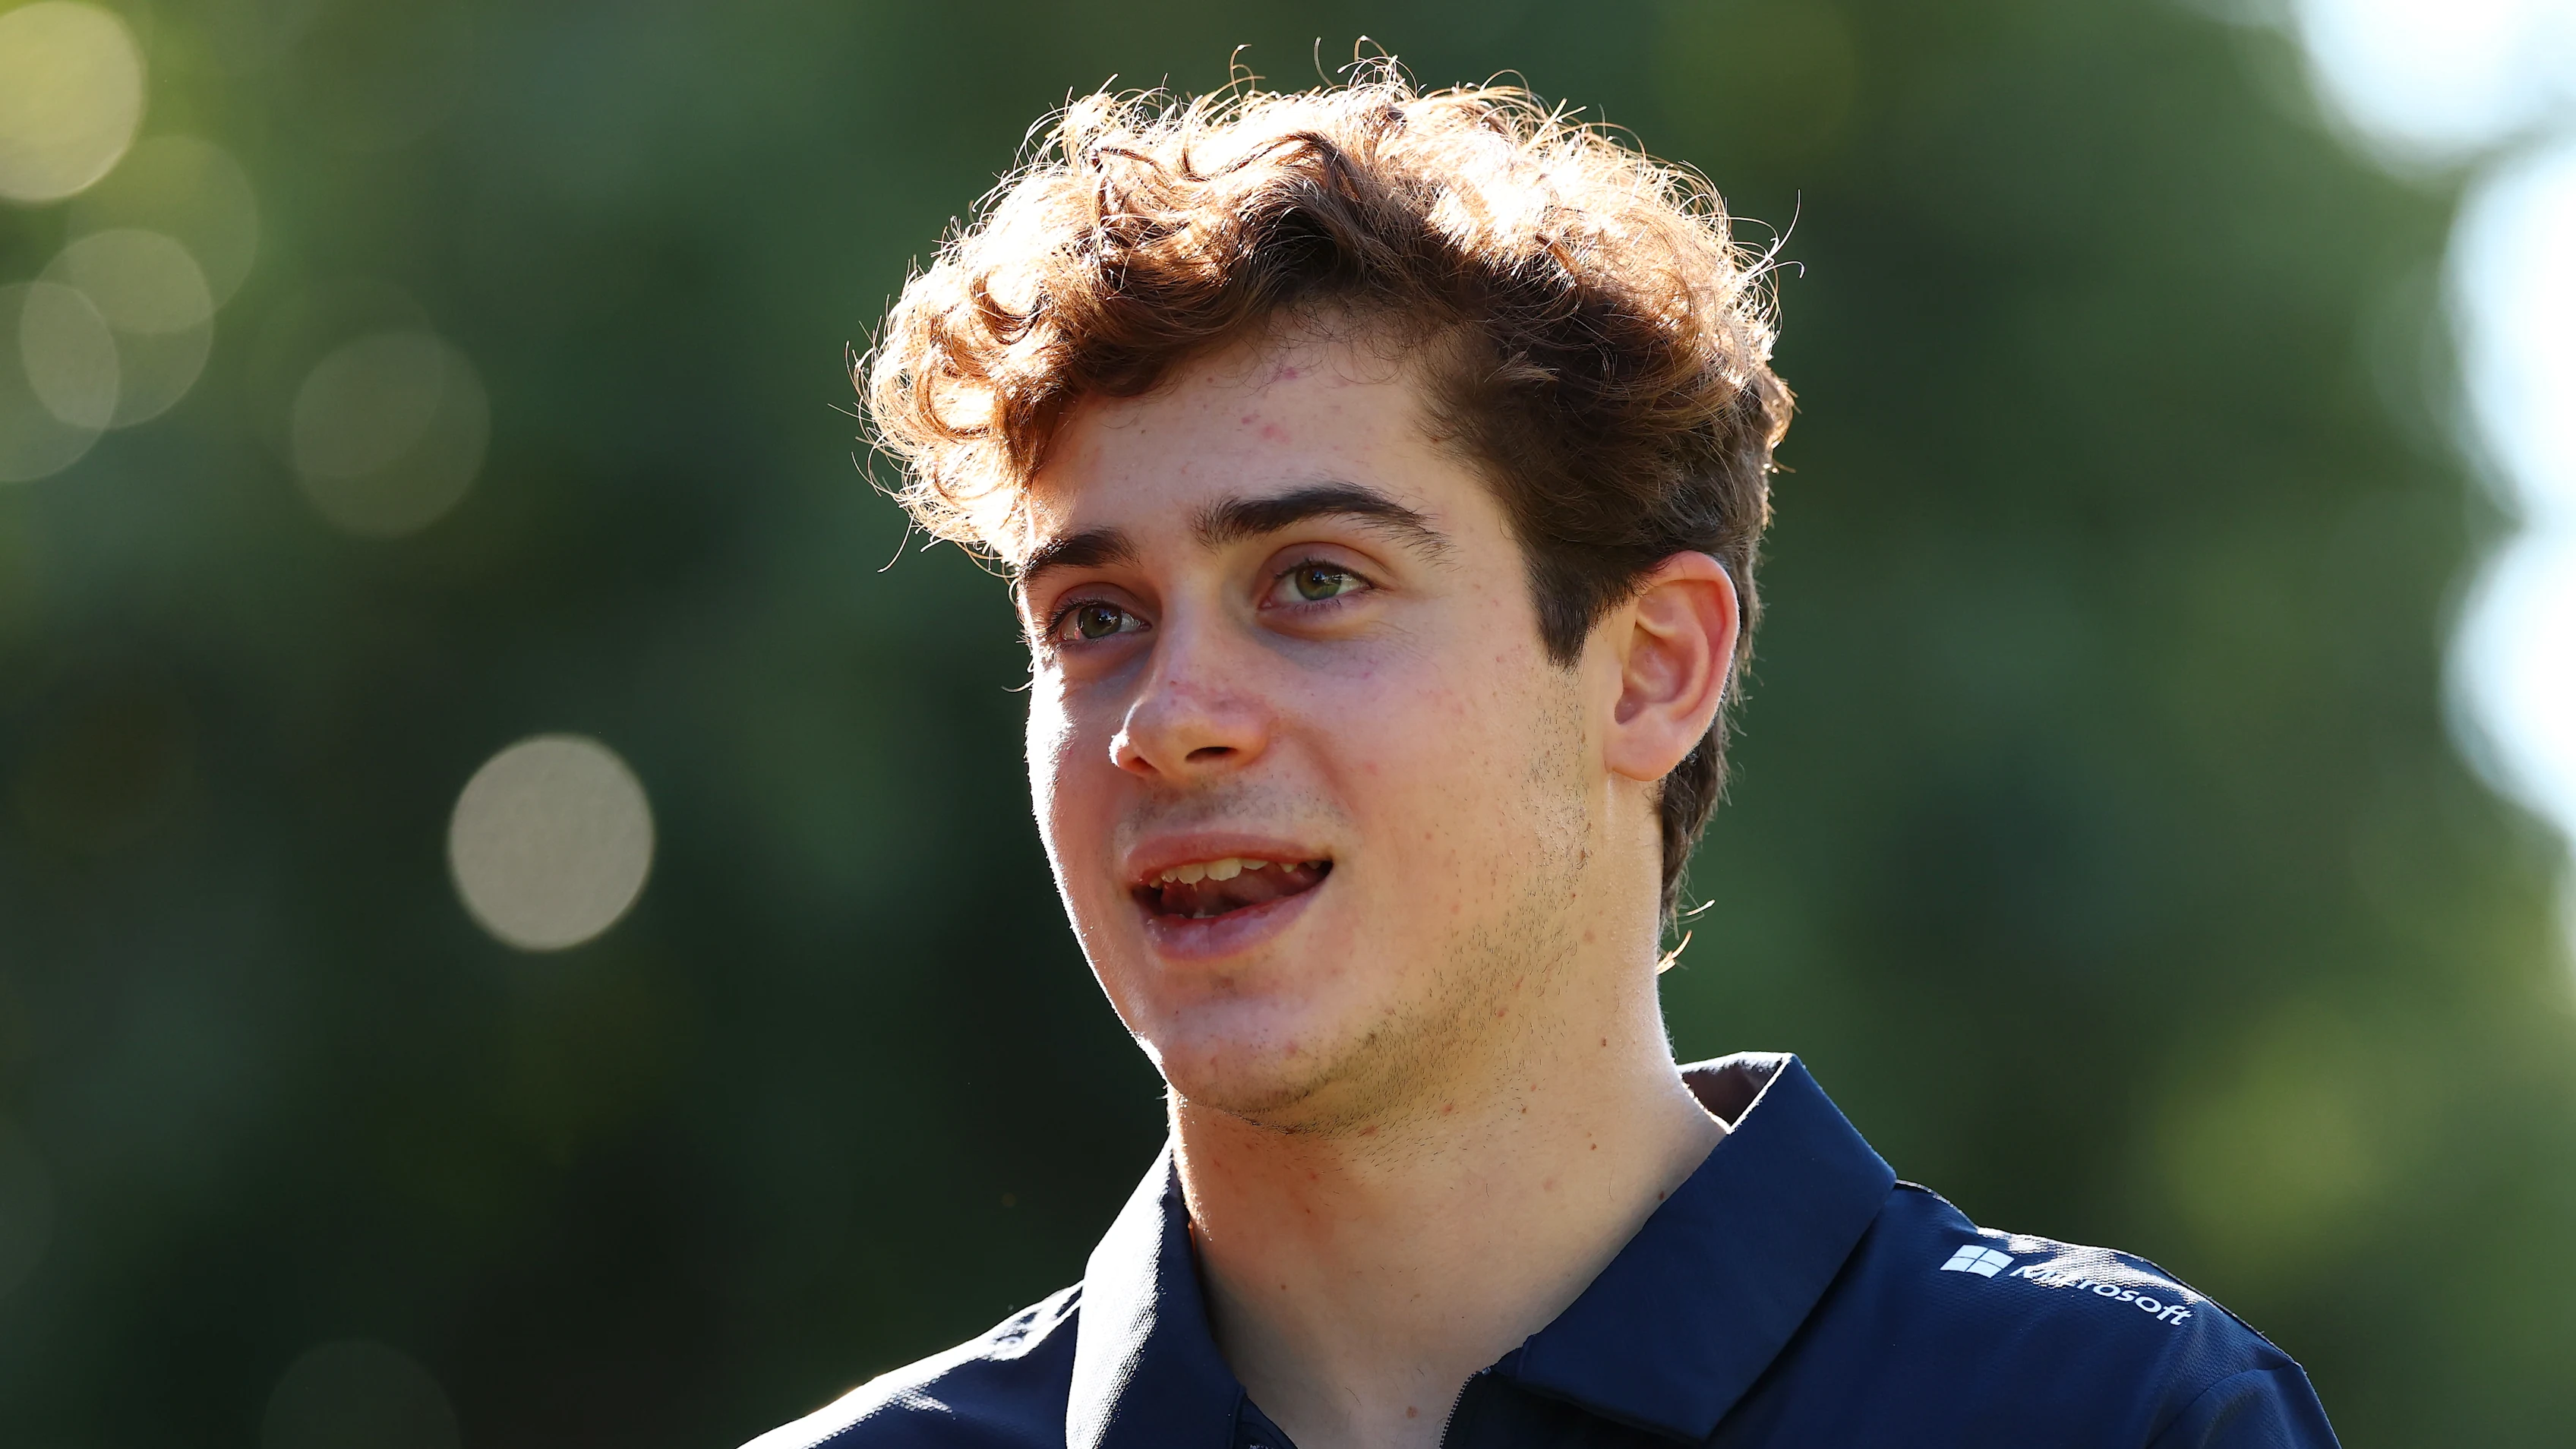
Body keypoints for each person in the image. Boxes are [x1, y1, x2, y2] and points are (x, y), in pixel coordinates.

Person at [750, 68, 2339, 1449]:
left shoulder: (2112, 1419)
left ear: (1652, 670)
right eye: (1093, 617)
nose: (1165, 719)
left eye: (1315, 581)